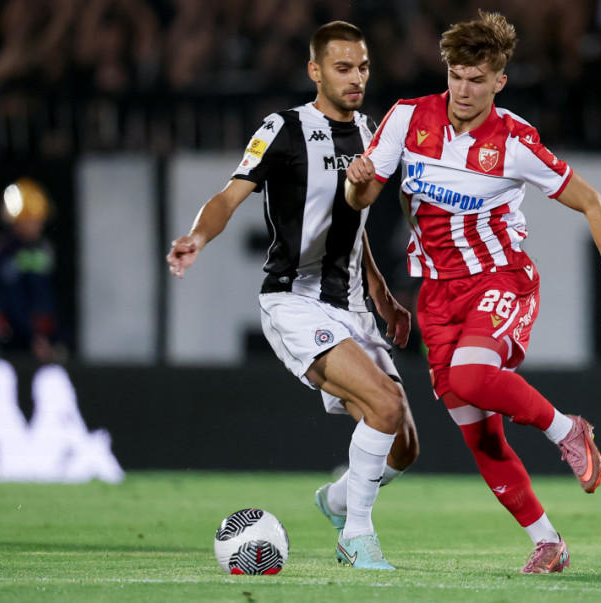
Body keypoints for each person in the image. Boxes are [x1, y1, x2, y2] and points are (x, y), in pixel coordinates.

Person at [345, 11, 601, 574]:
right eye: (456, 76)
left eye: (477, 79)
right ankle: (548, 542)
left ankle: (568, 430)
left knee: (470, 377)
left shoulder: (514, 141)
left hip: (500, 280)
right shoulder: (408, 118)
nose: (464, 90)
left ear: (499, 82)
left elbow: (594, 203)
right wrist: (356, 180)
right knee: (480, 436)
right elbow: (360, 200)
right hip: (436, 297)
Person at [166, 21, 418, 570]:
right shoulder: (283, 128)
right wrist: (197, 237)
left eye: (363, 67)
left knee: (404, 445)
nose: (356, 78)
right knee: (386, 404)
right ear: (315, 71)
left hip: (353, 306)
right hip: (295, 301)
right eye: (343, 68)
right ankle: (357, 538)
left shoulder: (372, 134)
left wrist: (381, 294)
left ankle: (336, 502)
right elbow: (228, 196)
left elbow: (352, 229)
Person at [0, 177, 63, 362]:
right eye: (32, 220)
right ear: (18, 220)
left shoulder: (43, 249)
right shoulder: (5, 252)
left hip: (46, 340)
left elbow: (48, 295)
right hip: (16, 344)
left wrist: (52, 337)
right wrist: (33, 338)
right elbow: (11, 301)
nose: (38, 225)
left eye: (39, 220)